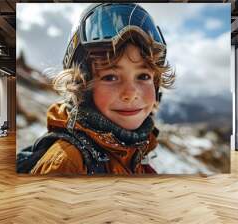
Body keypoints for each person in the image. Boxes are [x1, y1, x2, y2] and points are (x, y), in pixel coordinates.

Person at [16, 3, 175, 175]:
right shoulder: (68, 164)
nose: (131, 94)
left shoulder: (137, 152)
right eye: (110, 77)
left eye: (143, 76)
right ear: (83, 88)